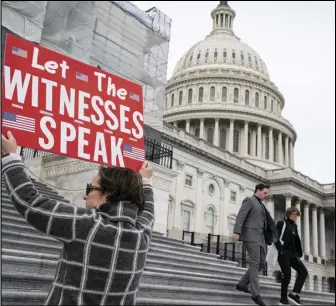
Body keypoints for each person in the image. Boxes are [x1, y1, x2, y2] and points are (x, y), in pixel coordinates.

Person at [1, 131, 154, 305]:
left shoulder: (86, 224)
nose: (85, 195)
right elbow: (148, 211)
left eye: (91, 188)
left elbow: (30, 202)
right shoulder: (142, 235)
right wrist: (146, 182)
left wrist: (11, 156)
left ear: (107, 195)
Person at [233, 184, 277, 306]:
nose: (266, 195)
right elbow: (241, 216)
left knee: (262, 262)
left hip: (261, 238)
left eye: (267, 193)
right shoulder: (249, 200)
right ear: (258, 191)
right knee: (255, 262)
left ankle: (242, 284)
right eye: (265, 193)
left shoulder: (262, 205)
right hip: (250, 236)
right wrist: (236, 231)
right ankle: (256, 294)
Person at [275, 206, 308, 305]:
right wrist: (281, 251)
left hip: (293, 255)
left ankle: (294, 294)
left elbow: (296, 241)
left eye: (296, 215)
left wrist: (298, 253)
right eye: (294, 214)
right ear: (288, 214)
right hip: (284, 254)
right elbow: (275, 237)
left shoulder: (295, 226)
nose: (295, 217)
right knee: (287, 275)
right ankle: (283, 299)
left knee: (303, 272)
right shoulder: (282, 224)